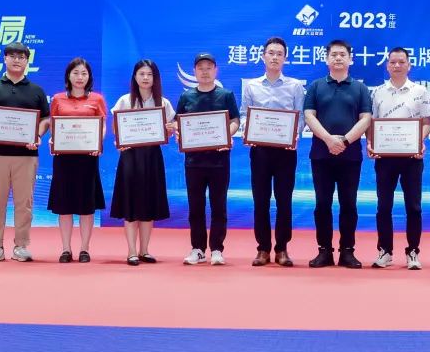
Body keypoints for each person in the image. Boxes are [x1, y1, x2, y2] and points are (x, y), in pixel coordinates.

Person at [0, 41, 51, 263]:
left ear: (27, 61)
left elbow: (46, 119)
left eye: (21, 57)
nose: (16, 60)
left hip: (26, 156)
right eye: (12, 56)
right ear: (5, 59)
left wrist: (38, 135)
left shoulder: (36, 91)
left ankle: (21, 246)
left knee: (24, 204)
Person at [303, 39, 373, 268]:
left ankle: (347, 251)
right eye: (334, 54)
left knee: (349, 204)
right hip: (321, 155)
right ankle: (324, 250)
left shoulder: (360, 88)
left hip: (350, 156)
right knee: (322, 204)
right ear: (326, 59)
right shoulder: (316, 86)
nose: (338, 58)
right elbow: (309, 116)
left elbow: (366, 118)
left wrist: (344, 140)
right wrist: (328, 139)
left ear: (350, 59)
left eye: (343, 54)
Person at [241, 37, 306, 267]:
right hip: (260, 151)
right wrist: (248, 132)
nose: (275, 57)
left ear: (285, 58)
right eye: (271, 53)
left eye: (279, 54)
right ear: (263, 56)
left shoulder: (295, 86)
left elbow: (301, 117)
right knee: (260, 200)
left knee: (284, 200)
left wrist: (293, 135)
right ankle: (262, 248)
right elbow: (244, 115)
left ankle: (282, 248)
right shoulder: (252, 86)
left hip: (285, 151)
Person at [368, 47, 430, 270]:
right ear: (387, 65)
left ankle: (413, 251)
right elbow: (371, 123)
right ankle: (385, 251)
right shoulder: (378, 92)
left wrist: (418, 141)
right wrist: (371, 143)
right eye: (393, 62)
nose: (397, 65)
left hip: (412, 158)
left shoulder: (419, 91)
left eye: (401, 62)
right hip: (385, 158)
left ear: (409, 65)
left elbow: (426, 123)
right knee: (383, 206)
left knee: (413, 207)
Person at [176, 53, 240, 266]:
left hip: (219, 160)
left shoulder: (226, 95)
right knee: (195, 206)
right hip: (193, 162)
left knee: (218, 206)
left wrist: (226, 135)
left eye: (209, 67)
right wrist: (179, 133)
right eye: (200, 68)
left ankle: (217, 249)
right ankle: (197, 249)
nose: (205, 71)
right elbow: (178, 122)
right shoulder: (186, 97)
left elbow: (235, 120)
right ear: (194, 71)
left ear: (216, 70)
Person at [110, 59, 173, 266]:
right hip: (130, 157)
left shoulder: (163, 103)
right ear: (135, 77)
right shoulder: (125, 100)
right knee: (131, 203)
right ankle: (131, 251)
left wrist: (170, 129)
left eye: (150, 74)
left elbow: (170, 130)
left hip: (152, 157)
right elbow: (116, 128)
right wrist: (120, 140)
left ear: (155, 78)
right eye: (142, 74)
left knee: (148, 203)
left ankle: (144, 250)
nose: (146, 78)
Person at [47, 57, 107, 263]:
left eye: (84, 73)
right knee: (64, 205)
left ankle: (84, 249)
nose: (80, 77)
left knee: (86, 206)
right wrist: (53, 140)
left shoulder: (97, 99)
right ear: (68, 76)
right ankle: (65, 249)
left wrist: (98, 143)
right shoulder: (57, 99)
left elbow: (102, 125)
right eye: (76, 73)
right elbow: (53, 125)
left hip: (87, 159)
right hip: (63, 159)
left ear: (89, 77)